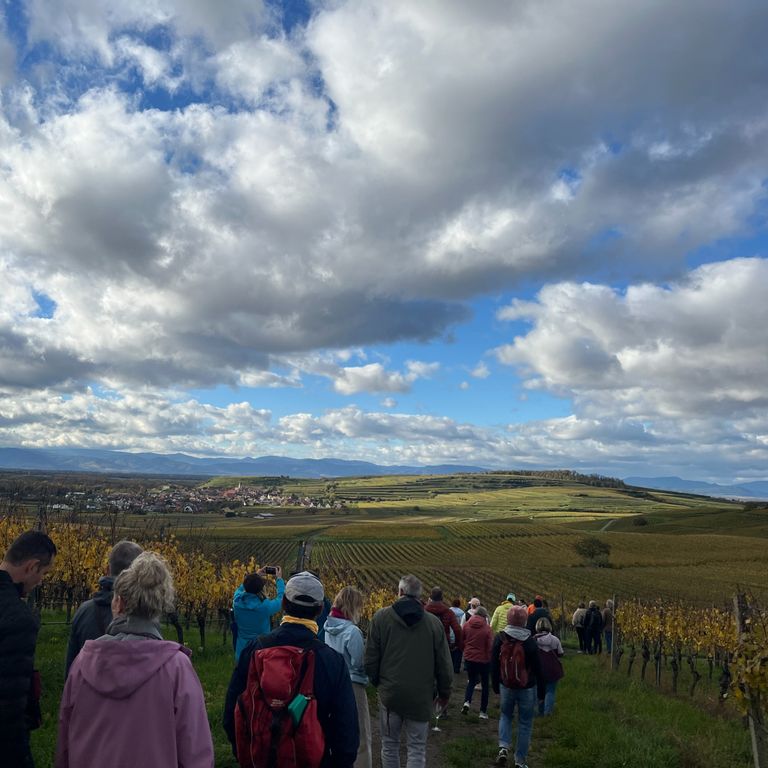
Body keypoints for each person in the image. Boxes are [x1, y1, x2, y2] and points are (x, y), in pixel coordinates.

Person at [56, 552, 213, 768]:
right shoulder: (176, 668)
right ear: (160, 607)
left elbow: (64, 741)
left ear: (118, 603)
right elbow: (195, 752)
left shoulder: (83, 663)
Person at [224, 571, 358, 767]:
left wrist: (245, 753)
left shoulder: (255, 649)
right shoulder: (333, 662)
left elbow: (231, 713)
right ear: (320, 609)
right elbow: (347, 731)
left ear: (284, 603)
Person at [364, 574, 453, 768]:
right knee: (417, 748)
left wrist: (378, 682)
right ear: (419, 595)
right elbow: (444, 665)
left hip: (390, 694)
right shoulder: (433, 624)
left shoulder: (381, 618)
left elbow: (370, 658)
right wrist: (444, 693)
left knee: (389, 745)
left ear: (401, 592)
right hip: (421, 696)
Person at [0, 530, 57, 768]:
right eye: (43, 573)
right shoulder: (18, 620)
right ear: (32, 567)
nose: (41, 581)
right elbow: (8, 706)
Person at [65, 539, 143, 676]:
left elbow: (71, 670)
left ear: (107, 569)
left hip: (89, 693)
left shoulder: (83, 611)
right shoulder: (145, 613)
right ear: (141, 573)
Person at [491, 605, 545, 768]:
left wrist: (495, 684)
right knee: (525, 723)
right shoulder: (529, 642)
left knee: (505, 716)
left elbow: (493, 664)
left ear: (508, 619)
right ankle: (520, 760)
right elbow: (538, 669)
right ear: (524, 621)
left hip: (506, 685)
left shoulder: (500, 639)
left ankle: (503, 747)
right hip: (527, 688)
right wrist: (541, 692)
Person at [324, 586, 372, 768]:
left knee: (338, 728)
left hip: (334, 682)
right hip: (353, 684)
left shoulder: (328, 627)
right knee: (361, 732)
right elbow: (359, 662)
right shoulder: (353, 632)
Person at [232, 565, 285, 662]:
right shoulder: (265, 607)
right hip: (260, 652)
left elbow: (239, 590)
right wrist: (279, 579)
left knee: (242, 675)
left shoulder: (237, 602)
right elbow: (281, 599)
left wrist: (256, 575)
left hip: (241, 651)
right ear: (260, 590)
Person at [461, 605, 493, 719]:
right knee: (485, 685)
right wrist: (490, 659)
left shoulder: (467, 625)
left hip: (469, 658)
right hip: (483, 660)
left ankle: (467, 702)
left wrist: (466, 650)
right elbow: (490, 646)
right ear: (484, 616)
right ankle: (482, 712)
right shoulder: (487, 629)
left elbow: (462, 638)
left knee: (471, 681)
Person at [425, 587, 463, 674]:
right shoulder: (448, 612)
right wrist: (456, 644)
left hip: (426, 643)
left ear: (430, 598)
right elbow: (457, 630)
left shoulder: (424, 610)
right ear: (442, 598)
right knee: (442, 670)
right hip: (443, 643)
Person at [534, 617, 564, 715]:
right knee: (550, 691)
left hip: (538, 669)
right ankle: (548, 712)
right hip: (552, 669)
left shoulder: (533, 640)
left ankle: (539, 710)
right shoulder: (555, 640)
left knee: (539, 690)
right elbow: (560, 653)